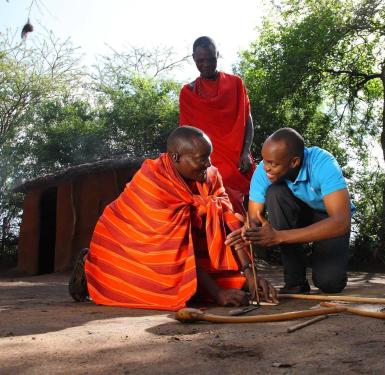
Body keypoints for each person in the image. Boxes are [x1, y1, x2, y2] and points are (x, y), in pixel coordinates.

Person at [69, 126, 276, 311]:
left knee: (234, 284)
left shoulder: (209, 175)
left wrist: (251, 276)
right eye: (201, 159)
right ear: (176, 157)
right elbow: (176, 248)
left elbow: (228, 222)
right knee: (150, 288)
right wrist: (217, 293)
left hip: (180, 247)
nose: (209, 164)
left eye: (209, 157)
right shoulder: (154, 181)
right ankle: (92, 266)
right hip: (132, 249)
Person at [226, 128, 354, 294]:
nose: (266, 168)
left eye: (273, 164)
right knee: (275, 193)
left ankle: (326, 267)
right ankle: (295, 281)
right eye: (264, 161)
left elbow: (341, 222)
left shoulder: (323, 163)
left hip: (328, 218)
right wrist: (248, 230)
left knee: (330, 284)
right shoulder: (264, 171)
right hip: (299, 212)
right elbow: (254, 219)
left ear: (294, 162)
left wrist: (279, 237)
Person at [179, 36, 255, 215]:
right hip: (210, 164)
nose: (205, 65)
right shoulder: (188, 93)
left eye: (210, 59)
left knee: (257, 204)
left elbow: (248, 119)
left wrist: (246, 151)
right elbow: (186, 136)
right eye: (200, 61)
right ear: (194, 59)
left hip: (239, 159)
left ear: (217, 55)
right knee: (226, 211)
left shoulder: (235, 83)